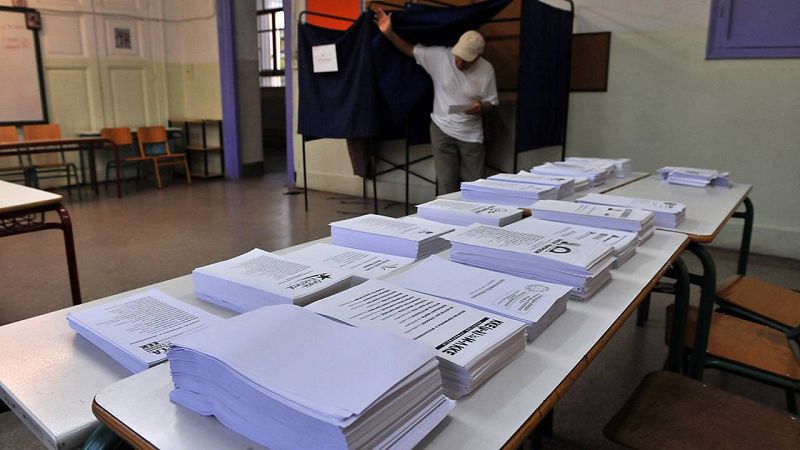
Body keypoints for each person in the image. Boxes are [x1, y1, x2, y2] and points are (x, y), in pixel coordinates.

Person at [375, 7, 498, 195]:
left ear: (478, 57)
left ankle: (474, 223)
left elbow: (492, 104)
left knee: (475, 186)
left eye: (466, 59)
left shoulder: (486, 70)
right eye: (458, 56)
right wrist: (389, 32)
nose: (460, 62)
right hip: (442, 128)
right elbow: (409, 49)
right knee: (446, 184)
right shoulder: (441, 56)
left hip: (471, 133)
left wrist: (481, 108)